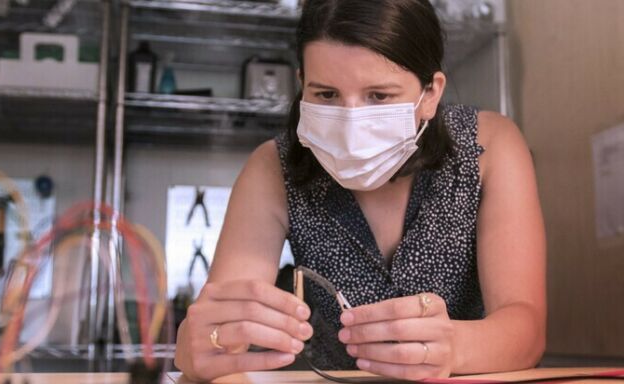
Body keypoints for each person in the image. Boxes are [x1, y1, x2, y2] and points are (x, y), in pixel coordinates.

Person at [174, 0, 546, 381]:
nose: (350, 126)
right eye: (327, 96)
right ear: (303, 85)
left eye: (378, 97)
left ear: (430, 94)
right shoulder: (271, 168)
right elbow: (216, 321)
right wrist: (204, 342)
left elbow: (526, 328)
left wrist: (457, 346)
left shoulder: (489, 147)